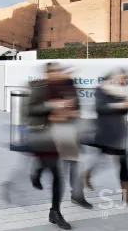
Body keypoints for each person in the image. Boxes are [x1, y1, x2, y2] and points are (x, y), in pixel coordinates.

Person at [27, 62, 82, 230]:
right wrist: (52, 105)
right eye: (53, 72)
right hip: (42, 134)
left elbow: (75, 106)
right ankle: (36, 173)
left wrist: (70, 111)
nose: (56, 74)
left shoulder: (66, 87)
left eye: (58, 71)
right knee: (53, 169)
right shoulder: (40, 87)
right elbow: (30, 109)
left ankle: (55, 211)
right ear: (47, 73)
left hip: (60, 134)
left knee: (57, 175)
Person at [84, 69, 128, 208]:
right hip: (105, 130)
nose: (124, 81)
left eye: (126, 79)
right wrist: (120, 105)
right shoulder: (101, 90)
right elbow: (100, 108)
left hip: (119, 132)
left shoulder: (122, 92)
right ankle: (87, 174)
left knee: (123, 161)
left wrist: (127, 106)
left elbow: (126, 111)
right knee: (104, 157)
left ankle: (127, 196)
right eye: (123, 78)